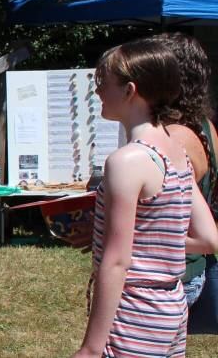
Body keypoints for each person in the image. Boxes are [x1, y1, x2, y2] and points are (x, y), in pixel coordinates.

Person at [73, 38, 218, 358]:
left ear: (130, 90)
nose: (97, 92)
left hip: (133, 317)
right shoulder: (175, 151)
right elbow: (209, 238)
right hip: (170, 311)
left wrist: (91, 348)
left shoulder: (127, 161)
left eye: (102, 83)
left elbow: (117, 261)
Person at [150, 33, 218, 312]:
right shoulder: (204, 125)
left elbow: (155, 216)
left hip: (172, 272)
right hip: (188, 268)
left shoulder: (174, 137)